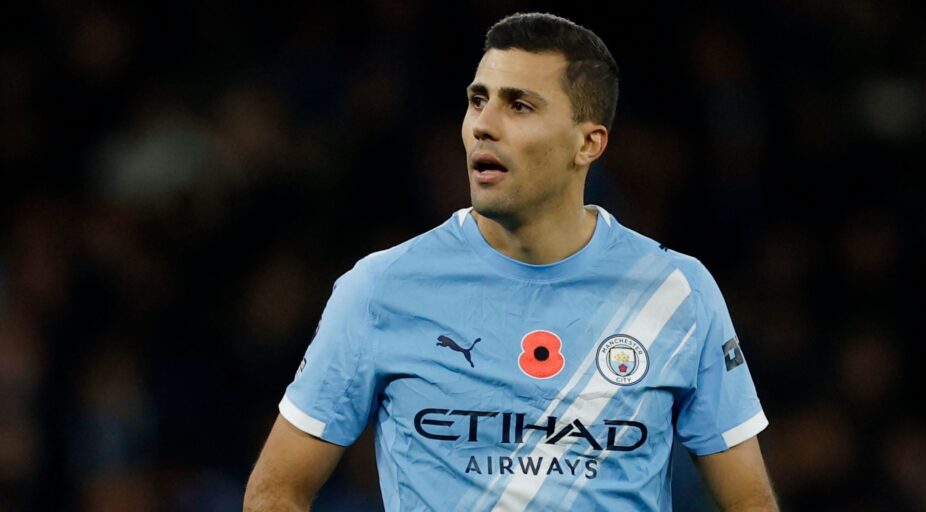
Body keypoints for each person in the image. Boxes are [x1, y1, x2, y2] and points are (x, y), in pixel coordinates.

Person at [244, 12, 777, 512]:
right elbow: (276, 491)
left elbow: (749, 500)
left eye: (518, 105)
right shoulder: (381, 287)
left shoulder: (677, 291)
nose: (483, 125)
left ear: (588, 143)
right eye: (478, 100)